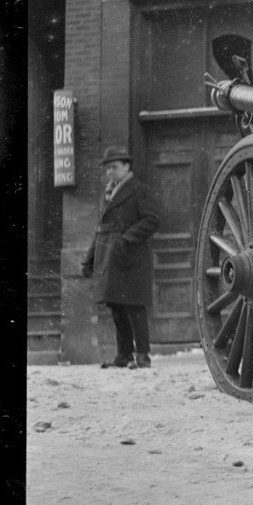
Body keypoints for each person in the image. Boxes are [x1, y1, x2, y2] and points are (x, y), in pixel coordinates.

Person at [81, 146, 161, 369]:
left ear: (127, 167)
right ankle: (124, 355)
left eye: (114, 167)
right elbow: (100, 230)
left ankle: (143, 355)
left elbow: (153, 220)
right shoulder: (109, 192)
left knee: (134, 307)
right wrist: (89, 260)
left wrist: (126, 239)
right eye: (107, 168)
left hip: (130, 258)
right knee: (117, 307)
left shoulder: (139, 190)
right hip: (110, 258)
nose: (110, 172)